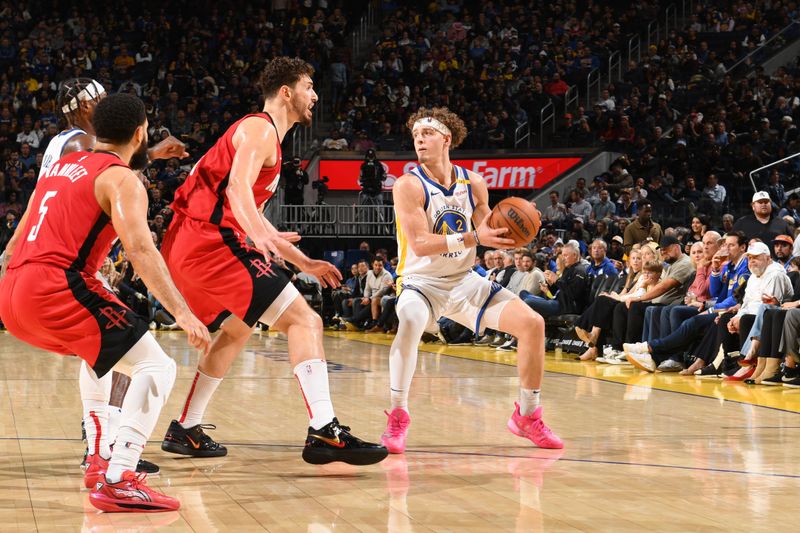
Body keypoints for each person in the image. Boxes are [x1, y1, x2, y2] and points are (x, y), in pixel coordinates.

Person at [159, 57, 387, 465]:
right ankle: (325, 430)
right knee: (305, 320)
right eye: (309, 86)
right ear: (287, 92)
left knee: (236, 331)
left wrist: (302, 261)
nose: (315, 95)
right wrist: (260, 234)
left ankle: (186, 428)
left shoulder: (263, 138)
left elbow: (248, 209)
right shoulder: (260, 129)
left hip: (188, 244)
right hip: (207, 242)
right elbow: (236, 189)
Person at [0, 93, 212, 512]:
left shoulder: (60, 165)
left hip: (13, 287)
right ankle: (119, 477)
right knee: (157, 366)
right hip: (55, 285)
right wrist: (183, 312)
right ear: (140, 132)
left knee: (99, 353)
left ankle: (100, 457)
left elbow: (26, 220)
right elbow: (140, 249)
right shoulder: (122, 180)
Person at [382, 107, 563, 453]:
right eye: (416, 134)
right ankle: (398, 416)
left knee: (533, 324)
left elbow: (490, 232)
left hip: (464, 280)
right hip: (421, 282)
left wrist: (519, 230)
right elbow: (421, 242)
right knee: (409, 321)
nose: (419, 138)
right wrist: (473, 238)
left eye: (428, 132)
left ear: (447, 139)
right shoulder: (408, 185)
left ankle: (527, 417)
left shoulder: (474, 182)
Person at [32, 78, 187, 476]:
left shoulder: (71, 144)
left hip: (64, 251)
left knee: (101, 351)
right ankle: (110, 446)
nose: (103, 103)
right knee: (125, 352)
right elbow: (105, 171)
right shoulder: (79, 144)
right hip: (72, 259)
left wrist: (152, 152)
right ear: (84, 107)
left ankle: (102, 444)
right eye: (98, 98)